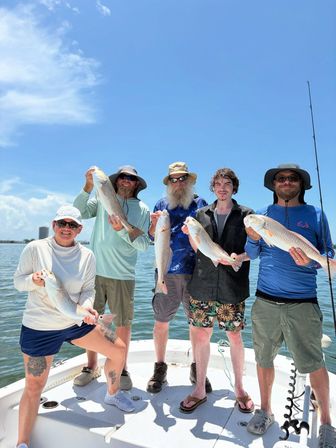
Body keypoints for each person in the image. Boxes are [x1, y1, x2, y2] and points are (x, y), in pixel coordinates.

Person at [14, 206, 134, 448]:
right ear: (53, 224)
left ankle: (112, 394)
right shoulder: (35, 248)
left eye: (72, 225)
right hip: (41, 328)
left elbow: (89, 290)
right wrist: (34, 281)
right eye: (62, 223)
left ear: (79, 229)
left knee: (119, 350)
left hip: (75, 321)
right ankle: (22, 443)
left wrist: (89, 309)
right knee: (34, 384)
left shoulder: (87, 256)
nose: (66, 228)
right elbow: (18, 282)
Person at [244, 164, 336, 446]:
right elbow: (252, 253)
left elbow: (328, 251)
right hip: (265, 300)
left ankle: (326, 423)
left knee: (315, 363)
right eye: (280, 179)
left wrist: (315, 260)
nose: (285, 182)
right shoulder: (263, 215)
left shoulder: (316, 214)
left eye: (291, 178)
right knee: (263, 358)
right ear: (273, 185)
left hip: (303, 302)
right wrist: (252, 236)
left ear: (301, 184)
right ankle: (265, 410)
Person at [179, 168, 255, 413]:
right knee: (201, 335)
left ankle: (240, 389)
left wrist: (238, 257)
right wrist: (191, 234)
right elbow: (199, 246)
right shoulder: (200, 214)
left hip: (232, 287)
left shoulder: (247, 215)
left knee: (235, 336)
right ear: (213, 188)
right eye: (218, 184)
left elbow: (254, 249)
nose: (222, 188)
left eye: (228, 184)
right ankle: (200, 388)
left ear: (234, 187)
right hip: (202, 285)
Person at [73, 165, 150, 390]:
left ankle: (121, 367)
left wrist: (122, 230)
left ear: (137, 184)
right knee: (90, 322)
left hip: (123, 276)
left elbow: (144, 245)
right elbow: (79, 212)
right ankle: (91, 366)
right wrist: (88, 186)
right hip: (93, 272)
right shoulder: (101, 198)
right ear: (115, 181)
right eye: (123, 177)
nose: (126, 181)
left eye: (131, 179)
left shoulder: (142, 209)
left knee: (123, 324)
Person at [146, 161, 210, 393]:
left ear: (190, 181)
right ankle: (160, 367)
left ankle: (197, 367)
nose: (179, 183)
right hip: (167, 273)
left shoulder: (201, 204)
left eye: (183, 178)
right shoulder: (161, 205)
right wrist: (153, 227)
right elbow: (153, 238)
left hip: (197, 273)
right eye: (174, 179)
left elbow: (208, 237)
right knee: (161, 322)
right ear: (168, 183)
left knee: (196, 324)